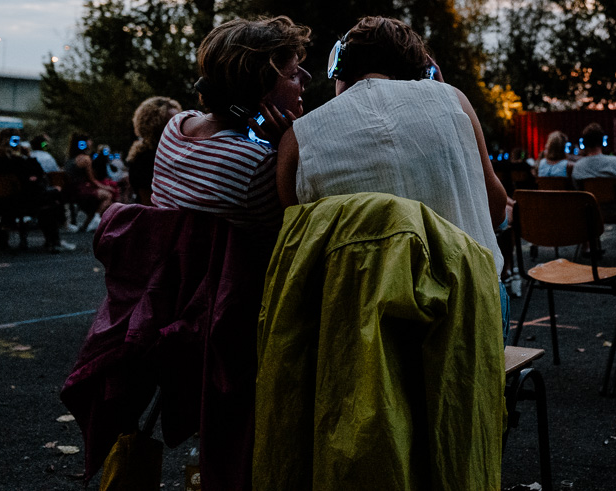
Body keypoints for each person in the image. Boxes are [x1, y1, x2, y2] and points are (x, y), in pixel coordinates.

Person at [276, 16, 508, 319]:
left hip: (363, 326)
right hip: (469, 316)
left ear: (341, 67)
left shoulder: (296, 139)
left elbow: (299, 248)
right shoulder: (455, 101)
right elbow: (496, 208)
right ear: (420, 71)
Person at [152, 16, 311, 229]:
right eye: (292, 75)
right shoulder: (257, 165)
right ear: (259, 93)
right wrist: (287, 147)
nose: (307, 77)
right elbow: (299, 232)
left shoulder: (176, 126)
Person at [126, 96, 181, 205]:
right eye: (172, 122)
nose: (178, 127)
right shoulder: (144, 159)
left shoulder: (172, 151)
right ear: (155, 126)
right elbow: (148, 203)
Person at [64, 134, 117, 232]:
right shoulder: (85, 159)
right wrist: (106, 187)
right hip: (82, 190)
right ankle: (96, 219)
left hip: (71, 190)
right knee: (108, 195)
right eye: (89, 140)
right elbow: (92, 180)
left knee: (98, 200)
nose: (91, 143)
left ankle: (87, 225)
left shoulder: (70, 159)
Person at [570, 122, 616, 188]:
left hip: (587, 198)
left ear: (584, 143)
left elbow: (577, 188)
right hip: (615, 198)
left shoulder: (578, 166)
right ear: (602, 142)